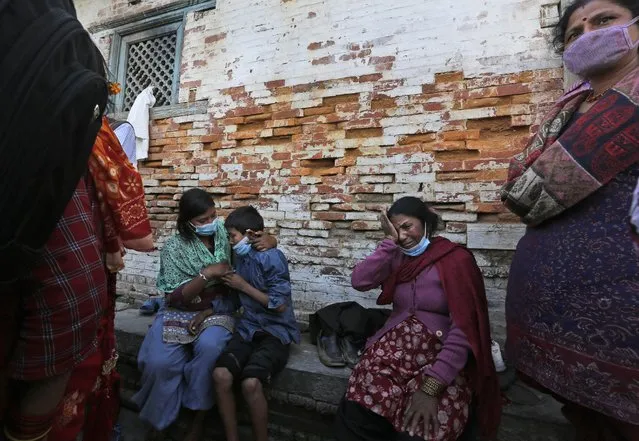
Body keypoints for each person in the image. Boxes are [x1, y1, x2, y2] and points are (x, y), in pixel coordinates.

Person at [502, 1, 639, 440]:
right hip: (549, 314)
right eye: (574, 33)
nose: (587, 35)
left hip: (623, 316)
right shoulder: (567, 110)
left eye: (603, 21)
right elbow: (522, 187)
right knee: (588, 422)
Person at [334, 197, 501, 441]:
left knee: (423, 426)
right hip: (391, 354)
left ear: (425, 224)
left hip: (439, 357)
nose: (402, 236)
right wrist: (388, 243)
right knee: (359, 410)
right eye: (395, 229)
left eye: (407, 226)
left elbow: (464, 328)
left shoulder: (456, 260)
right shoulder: (396, 256)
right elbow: (360, 281)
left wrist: (431, 388)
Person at [133, 191, 276, 441]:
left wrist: (271, 240)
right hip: (180, 309)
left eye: (213, 215)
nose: (211, 222)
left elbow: (255, 240)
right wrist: (206, 275)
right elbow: (175, 297)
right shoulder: (173, 248)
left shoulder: (225, 233)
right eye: (202, 219)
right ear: (187, 221)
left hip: (219, 307)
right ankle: (160, 419)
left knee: (210, 349)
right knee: (159, 363)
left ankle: (197, 417)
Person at [213, 206, 300, 441]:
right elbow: (233, 300)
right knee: (221, 375)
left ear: (250, 234)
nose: (230, 242)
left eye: (233, 236)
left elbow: (279, 304)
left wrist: (243, 286)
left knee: (251, 383)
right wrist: (204, 314)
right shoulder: (239, 257)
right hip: (248, 327)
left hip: (275, 331)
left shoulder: (271, 256)